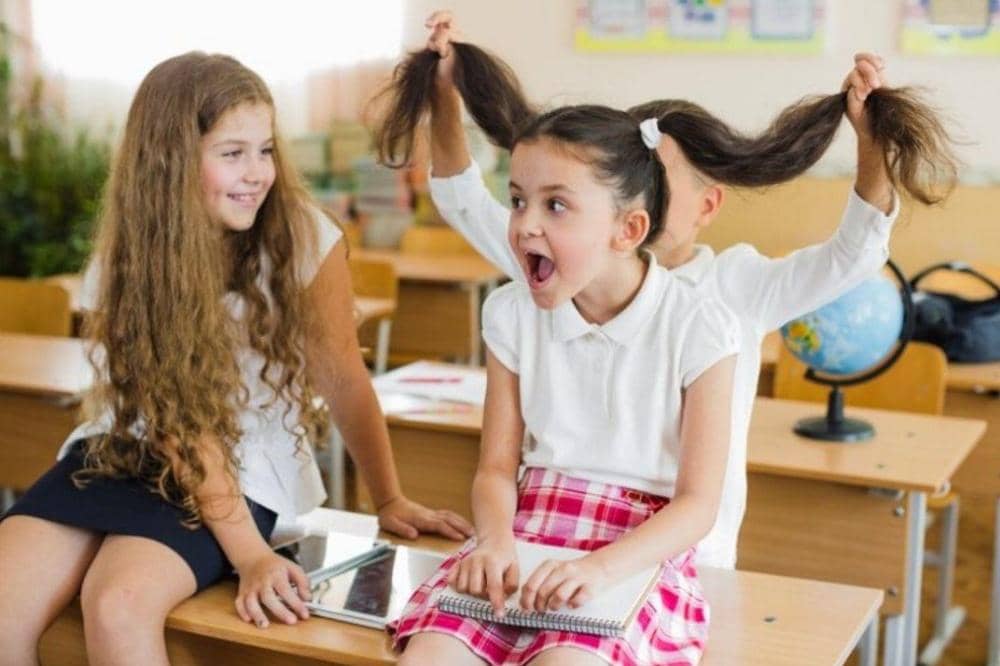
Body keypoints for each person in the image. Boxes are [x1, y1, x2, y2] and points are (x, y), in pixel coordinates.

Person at [399, 12, 958, 573]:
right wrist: (446, 95)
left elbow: (854, 255)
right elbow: (464, 199)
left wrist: (869, 141)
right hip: (556, 545)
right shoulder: (561, 262)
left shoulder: (733, 287)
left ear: (707, 207)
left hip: (684, 560)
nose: (644, 198)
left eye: (660, 185)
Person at [0, 52, 471, 666]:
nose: (257, 172)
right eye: (232, 153)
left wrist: (387, 499)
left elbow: (345, 378)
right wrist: (247, 556)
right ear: (167, 162)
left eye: (266, 149)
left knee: (117, 606)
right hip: (128, 448)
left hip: (245, 468)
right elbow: (174, 422)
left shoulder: (303, 238)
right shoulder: (130, 254)